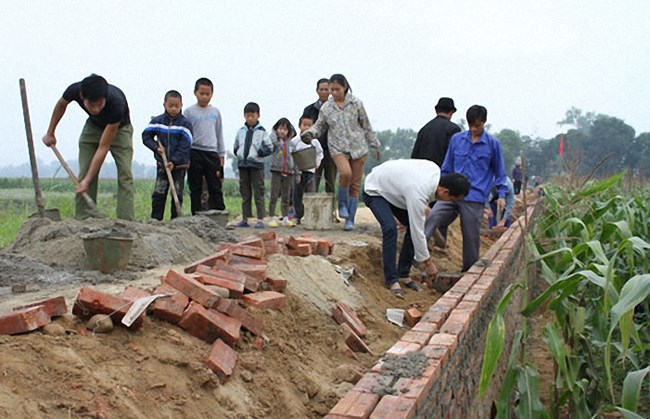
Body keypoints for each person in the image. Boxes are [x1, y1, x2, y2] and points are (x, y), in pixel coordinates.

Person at [364, 160, 470, 298]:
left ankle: (403, 274)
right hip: (375, 189)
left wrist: (422, 206)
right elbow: (417, 232)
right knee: (390, 229)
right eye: (451, 199)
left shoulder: (433, 169)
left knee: (411, 225)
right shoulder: (418, 193)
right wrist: (428, 263)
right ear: (444, 191)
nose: (449, 203)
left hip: (395, 190)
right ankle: (392, 280)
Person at [425, 105, 508, 272]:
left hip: (474, 197)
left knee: (470, 234)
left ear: (484, 122)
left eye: (477, 125)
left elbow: (500, 172)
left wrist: (502, 195)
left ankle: (468, 270)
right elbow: (446, 167)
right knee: (432, 217)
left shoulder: (492, 144)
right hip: (451, 192)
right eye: (470, 125)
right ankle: (416, 256)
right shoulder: (457, 140)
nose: (473, 129)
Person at [42, 74, 134, 220]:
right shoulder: (74, 90)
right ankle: (84, 217)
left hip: (119, 129)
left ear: (105, 98)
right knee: (85, 172)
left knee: (125, 174)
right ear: (82, 96)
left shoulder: (116, 104)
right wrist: (50, 132)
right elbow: (61, 105)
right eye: (91, 105)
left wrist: (87, 181)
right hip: (93, 127)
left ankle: (126, 220)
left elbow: (103, 147)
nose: (96, 109)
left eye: (100, 104)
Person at [301, 73, 381, 231]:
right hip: (337, 147)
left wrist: (374, 145)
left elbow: (366, 125)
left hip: (358, 147)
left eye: (337, 89)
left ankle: (350, 219)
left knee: (355, 185)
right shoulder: (327, 107)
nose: (334, 92)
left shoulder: (356, 103)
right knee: (345, 173)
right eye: (332, 89)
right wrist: (310, 133)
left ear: (345, 87)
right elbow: (320, 126)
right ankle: (342, 203)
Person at [411, 97, 461, 255]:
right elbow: (455, 156)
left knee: (421, 210)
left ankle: (422, 242)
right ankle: (438, 245)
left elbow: (415, 154)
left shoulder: (424, 129)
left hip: (420, 175)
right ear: (451, 112)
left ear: (436, 110)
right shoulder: (453, 130)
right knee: (442, 210)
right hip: (440, 176)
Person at [142, 90, 193, 220]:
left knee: (177, 193)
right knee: (159, 193)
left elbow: (185, 146)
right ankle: (156, 220)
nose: (174, 109)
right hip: (162, 164)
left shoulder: (185, 124)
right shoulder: (158, 122)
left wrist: (174, 162)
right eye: (171, 106)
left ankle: (176, 221)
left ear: (181, 105)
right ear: (164, 105)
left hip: (179, 166)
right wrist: (156, 147)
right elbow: (146, 136)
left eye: (177, 106)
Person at [184, 78, 226, 215]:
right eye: (201, 93)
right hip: (194, 152)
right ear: (195, 93)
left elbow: (219, 133)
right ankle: (196, 216)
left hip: (211, 153)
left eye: (207, 94)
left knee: (215, 186)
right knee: (195, 187)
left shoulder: (215, 112)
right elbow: (185, 134)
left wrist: (221, 156)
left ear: (212, 94)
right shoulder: (189, 112)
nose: (204, 97)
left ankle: (219, 215)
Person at [233, 102, 273, 228]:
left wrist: (260, 153)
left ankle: (260, 219)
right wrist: (239, 154)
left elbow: (270, 146)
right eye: (248, 115)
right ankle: (245, 218)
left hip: (256, 165)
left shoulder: (262, 132)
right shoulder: (241, 131)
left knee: (258, 192)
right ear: (244, 116)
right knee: (245, 193)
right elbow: (235, 145)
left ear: (258, 115)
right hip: (243, 165)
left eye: (252, 115)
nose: (250, 118)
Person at [303, 78, 337, 194]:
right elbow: (304, 128)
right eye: (321, 89)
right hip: (313, 150)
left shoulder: (336, 109)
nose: (323, 92)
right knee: (312, 181)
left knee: (330, 181)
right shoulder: (309, 110)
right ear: (317, 91)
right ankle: (311, 209)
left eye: (326, 89)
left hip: (331, 150)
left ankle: (331, 210)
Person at [290, 114, 324, 225]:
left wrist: (317, 163)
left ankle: (311, 216)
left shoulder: (314, 142)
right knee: (297, 194)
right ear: (299, 126)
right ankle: (298, 216)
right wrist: (295, 171)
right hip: (298, 172)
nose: (306, 127)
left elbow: (320, 153)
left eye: (309, 125)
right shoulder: (295, 141)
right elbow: (291, 156)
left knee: (311, 194)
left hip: (310, 171)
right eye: (304, 125)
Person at [268, 118, 297, 227]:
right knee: (274, 195)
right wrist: (274, 132)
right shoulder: (275, 142)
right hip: (276, 170)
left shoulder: (291, 143)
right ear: (276, 129)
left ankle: (285, 218)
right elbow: (271, 141)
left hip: (288, 171)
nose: (282, 131)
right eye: (280, 128)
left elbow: (295, 158)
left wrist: (296, 172)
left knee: (286, 196)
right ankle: (271, 217)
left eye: (285, 129)